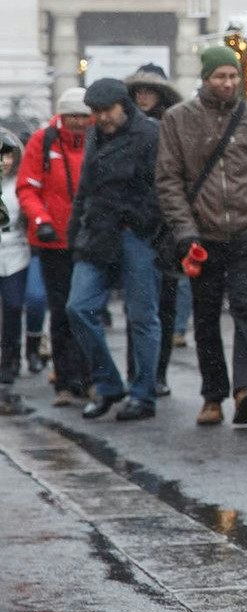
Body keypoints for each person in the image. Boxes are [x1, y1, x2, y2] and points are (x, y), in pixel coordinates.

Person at [156, 45, 247, 428]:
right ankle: (212, 395)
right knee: (206, 316)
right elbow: (168, 181)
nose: (229, 83)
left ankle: (245, 389)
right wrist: (185, 233)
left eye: (233, 76)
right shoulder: (177, 119)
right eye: (221, 77)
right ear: (205, 78)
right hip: (203, 234)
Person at [64, 79, 168, 422]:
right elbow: (85, 188)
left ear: (124, 106)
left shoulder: (150, 135)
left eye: (106, 110)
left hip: (135, 234)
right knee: (78, 307)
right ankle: (109, 383)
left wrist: (142, 222)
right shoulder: (96, 134)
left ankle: (143, 394)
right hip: (97, 233)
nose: (101, 117)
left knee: (142, 318)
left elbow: (163, 188)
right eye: (96, 112)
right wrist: (74, 230)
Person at [19, 88, 91, 407]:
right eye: (73, 115)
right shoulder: (42, 141)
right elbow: (28, 187)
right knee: (61, 310)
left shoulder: (97, 141)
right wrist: (40, 220)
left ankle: (89, 377)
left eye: (83, 116)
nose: (78, 122)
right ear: (62, 116)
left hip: (88, 241)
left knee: (87, 309)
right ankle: (65, 380)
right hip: (53, 242)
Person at [125, 63, 184, 396]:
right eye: (139, 91)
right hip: (137, 224)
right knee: (140, 304)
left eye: (151, 91)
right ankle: (139, 373)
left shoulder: (173, 127)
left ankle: (157, 373)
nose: (144, 96)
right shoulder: (124, 129)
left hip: (169, 225)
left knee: (166, 303)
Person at [0, 131, 31, 386]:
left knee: (12, 307)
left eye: (7, 155)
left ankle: (11, 360)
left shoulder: (21, 184)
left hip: (16, 251)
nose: (3, 161)